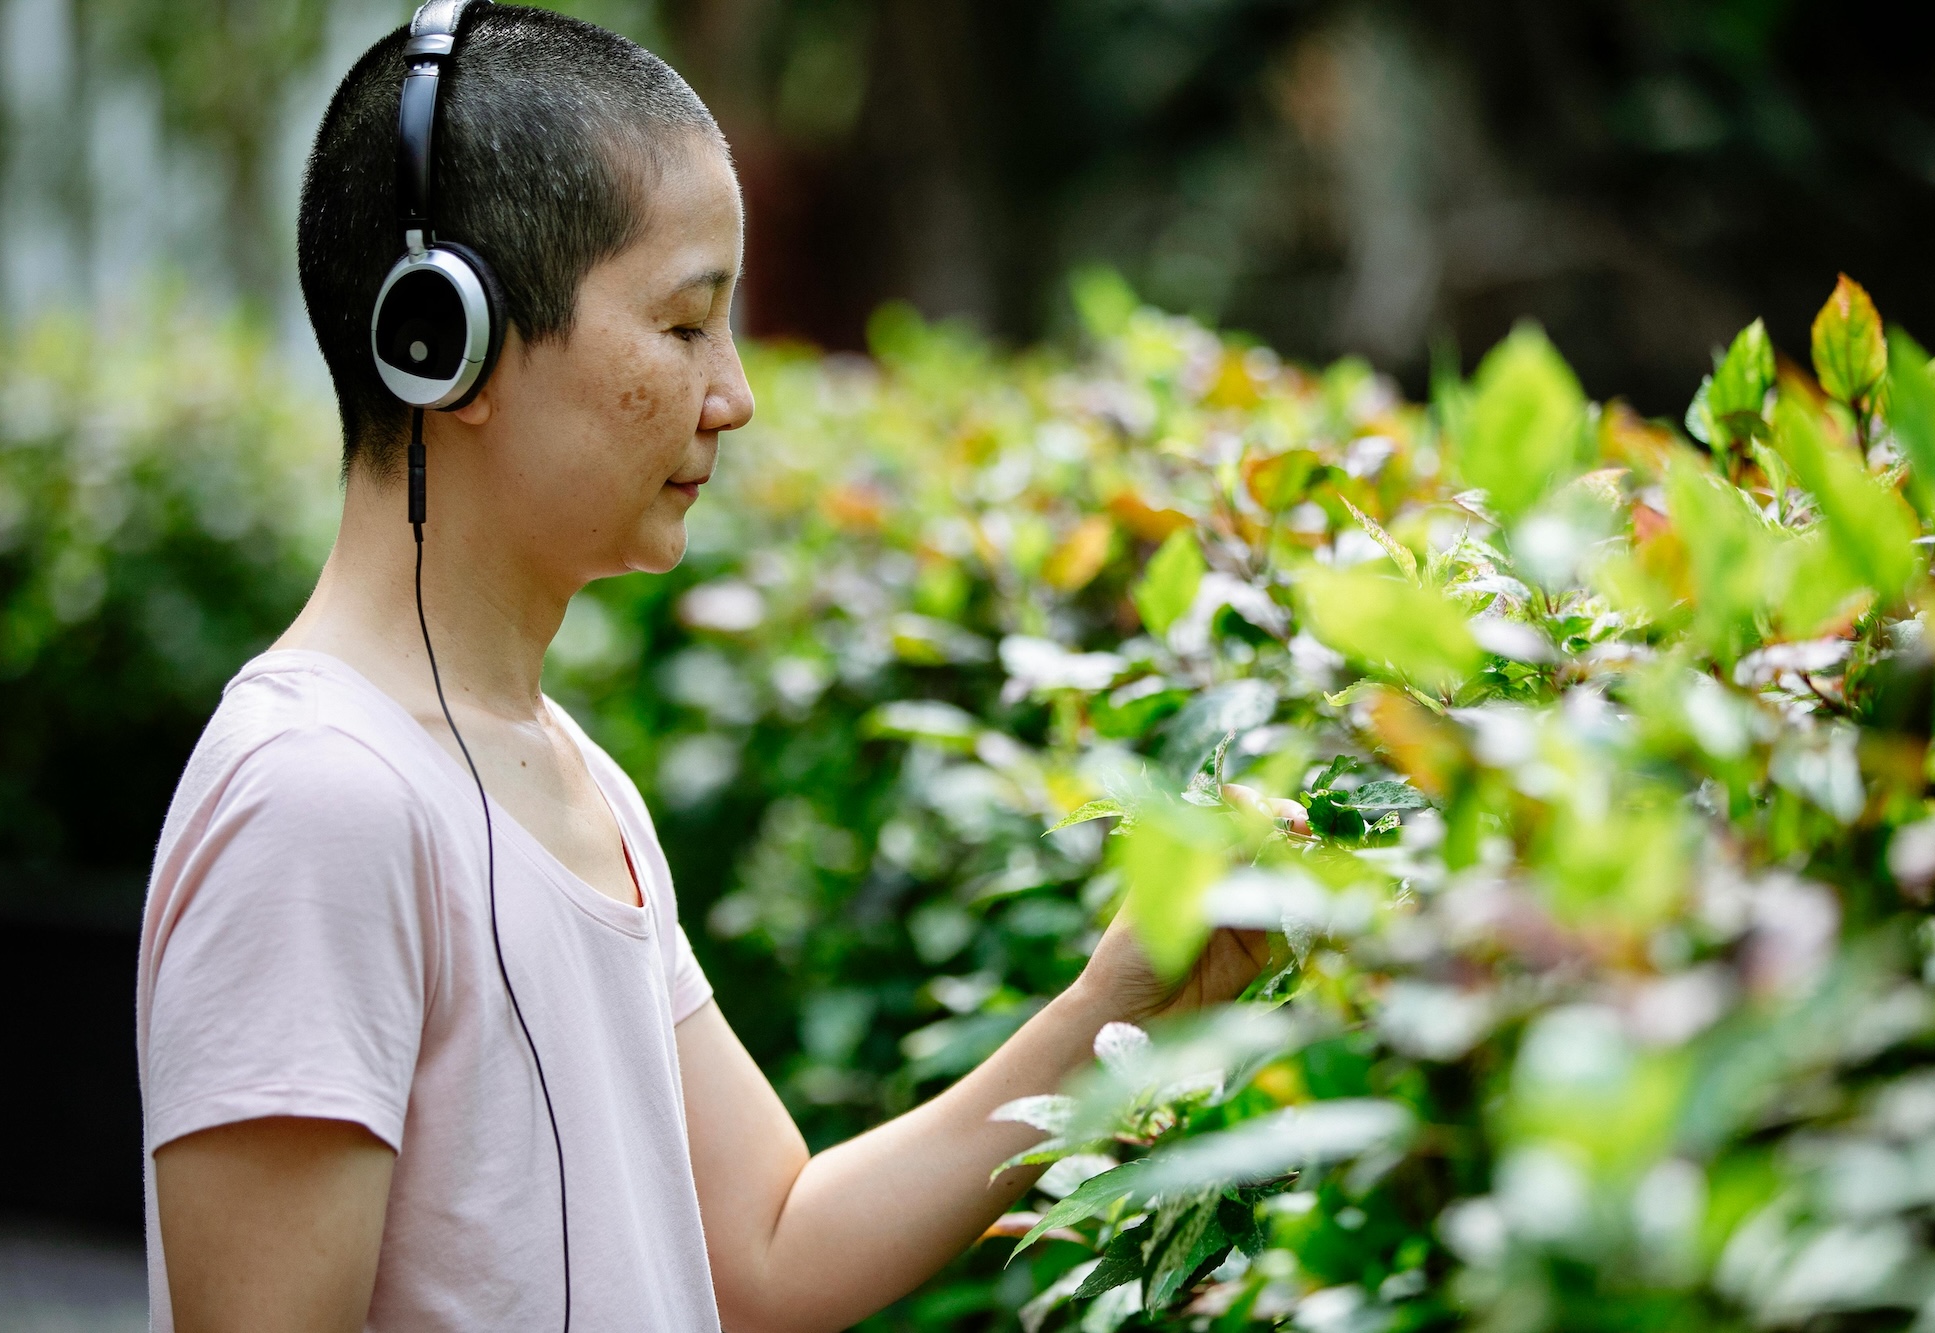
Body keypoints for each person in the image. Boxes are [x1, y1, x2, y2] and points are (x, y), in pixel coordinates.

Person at [137, 6, 1269, 1330]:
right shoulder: (317, 804)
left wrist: (1112, 1004)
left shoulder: (573, 777)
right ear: (448, 341)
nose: (732, 395)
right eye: (684, 328)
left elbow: (770, 1249)